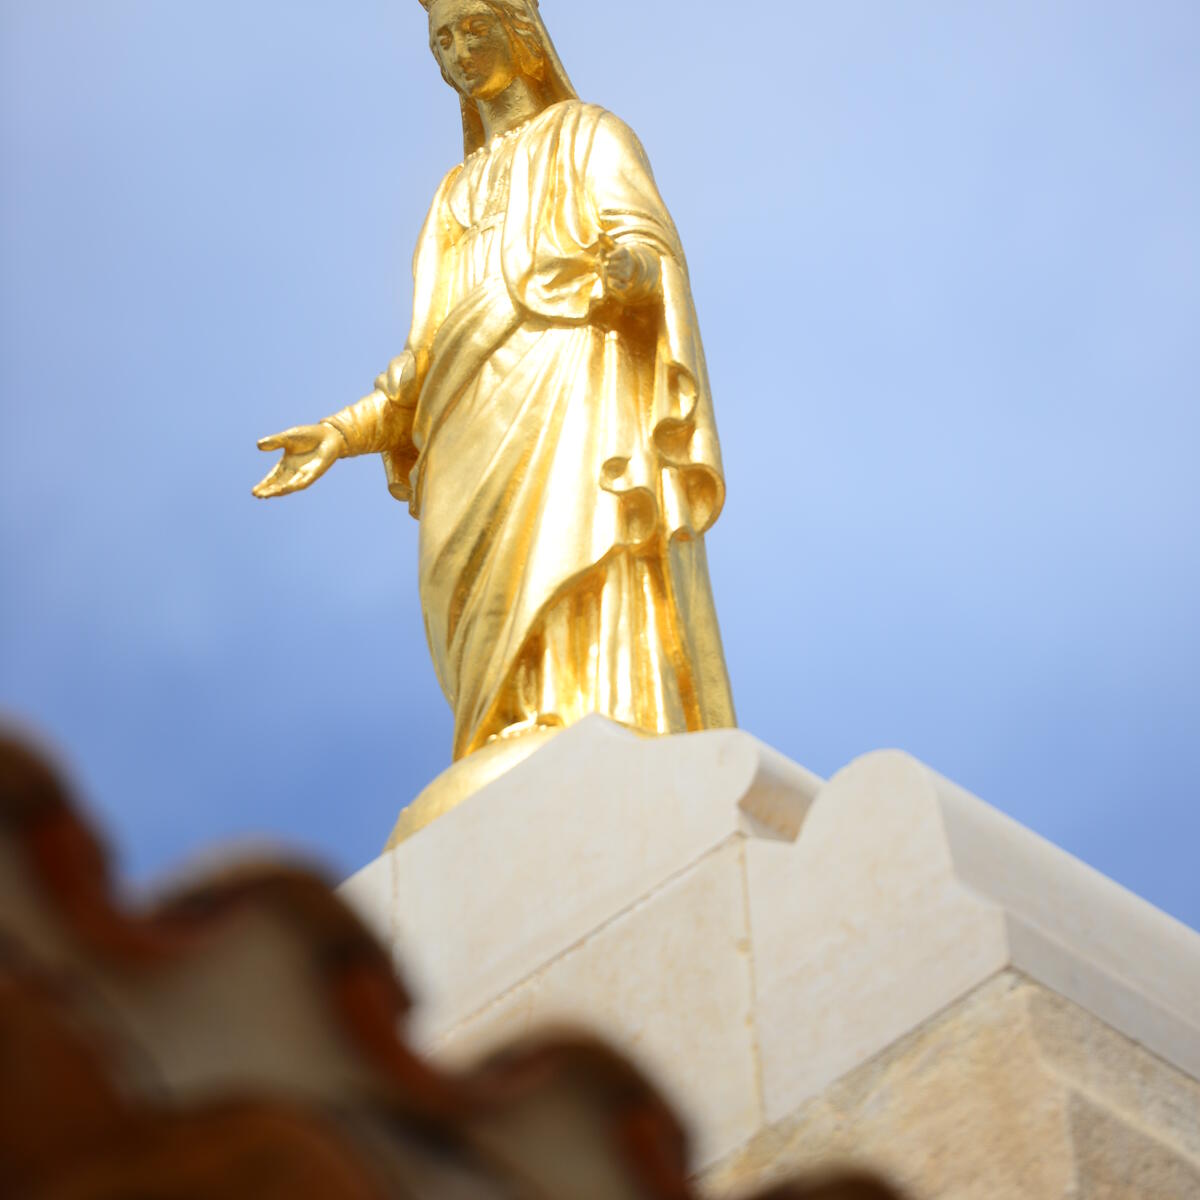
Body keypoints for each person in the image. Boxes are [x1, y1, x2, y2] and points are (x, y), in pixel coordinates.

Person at [254, 0, 736, 762]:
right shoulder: (451, 196)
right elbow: (423, 356)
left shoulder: (590, 134)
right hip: (459, 420)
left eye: (473, 28)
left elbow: (645, 240)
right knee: (476, 603)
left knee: (577, 537)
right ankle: (504, 727)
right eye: (441, 40)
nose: (457, 51)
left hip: (564, 376)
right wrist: (342, 432)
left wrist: (628, 272)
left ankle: (592, 708)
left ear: (523, 36)